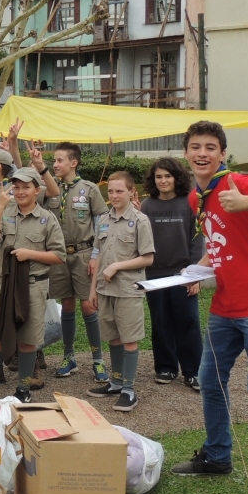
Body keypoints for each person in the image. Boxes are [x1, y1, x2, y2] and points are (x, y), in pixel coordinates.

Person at [171, 121, 248, 494]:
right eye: (195, 146)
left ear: (222, 153)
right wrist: (194, 270)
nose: (202, 153)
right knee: (211, 382)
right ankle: (217, 457)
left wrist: (247, 203)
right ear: (186, 153)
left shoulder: (240, 183)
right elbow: (219, 248)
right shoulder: (199, 196)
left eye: (210, 147)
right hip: (225, 309)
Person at [0, 166, 66, 403]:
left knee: (28, 341)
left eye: (26, 187)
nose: (20, 192)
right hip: (5, 286)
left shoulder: (47, 219)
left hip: (33, 287)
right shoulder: (5, 212)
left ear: (37, 190)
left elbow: (60, 256)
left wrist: (30, 253)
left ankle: (23, 390)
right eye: (16, 187)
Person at [86, 171, 155, 412]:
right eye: (111, 191)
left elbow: (147, 258)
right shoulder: (103, 220)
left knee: (129, 340)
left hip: (127, 290)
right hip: (105, 290)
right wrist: (93, 290)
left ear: (131, 193)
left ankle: (128, 389)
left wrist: (118, 266)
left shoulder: (140, 220)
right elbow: (98, 256)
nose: (114, 195)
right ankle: (115, 382)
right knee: (113, 337)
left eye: (120, 191)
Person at [141, 157, 204, 390]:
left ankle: (193, 371)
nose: (163, 180)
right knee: (160, 321)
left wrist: (195, 273)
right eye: (159, 176)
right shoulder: (147, 206)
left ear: (177, 178)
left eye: (168, 176)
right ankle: (166, 367)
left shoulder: (188, 202)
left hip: (183, 273)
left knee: (188, 321)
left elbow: (197, 238)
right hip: (155, 273)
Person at [49, 142, 109, 381]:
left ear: (73, 163)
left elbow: (102, 223)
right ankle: (69, 356)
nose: (55, 164)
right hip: (59, 255)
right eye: (53, 160)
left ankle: (98, 360)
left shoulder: (89, 189)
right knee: (67, 304)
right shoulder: (51, 190)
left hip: (84, 253)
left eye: (60, 160)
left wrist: (96, 256)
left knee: (88, 305)